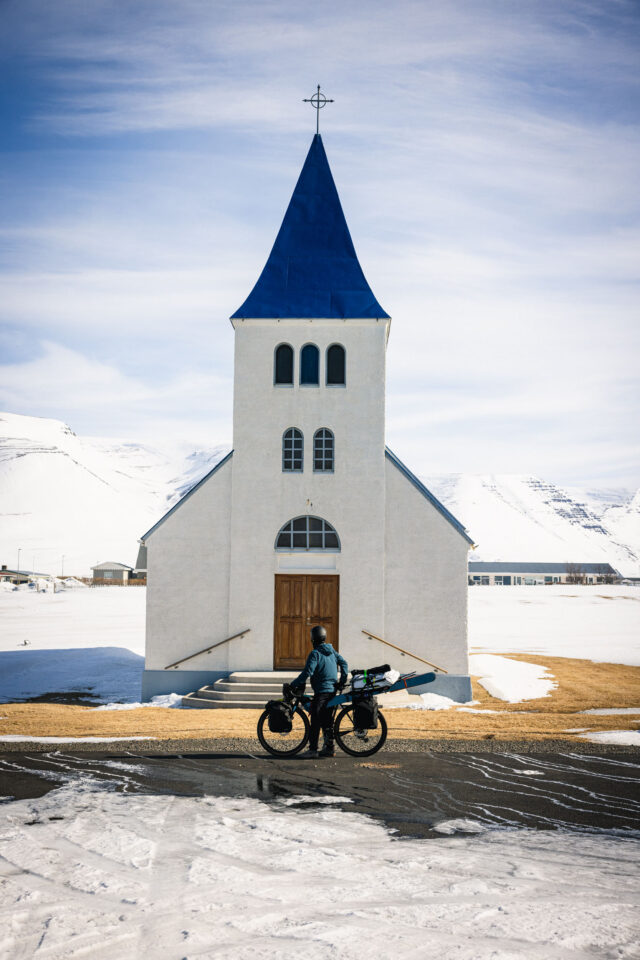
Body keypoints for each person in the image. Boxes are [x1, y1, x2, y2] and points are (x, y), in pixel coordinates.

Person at [292, 625, 348, 758]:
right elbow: (344, 664)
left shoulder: (315, 653)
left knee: (315, 720)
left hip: (322, 692)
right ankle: (329, 748)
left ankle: (312, 750)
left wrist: (293, 684)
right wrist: (342, 681)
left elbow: (307, 672)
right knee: (326, 719)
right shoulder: (332, 651)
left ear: (313, 639)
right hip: (332, 691)